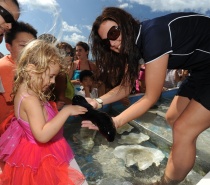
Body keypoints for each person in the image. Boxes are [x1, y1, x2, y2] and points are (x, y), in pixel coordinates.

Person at [81, 7, 210, 184]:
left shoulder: (153, 35)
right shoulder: (135, 48)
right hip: (201, 70)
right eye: (105, 43)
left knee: (183, 129)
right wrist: (97, 102)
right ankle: (182, 153)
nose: (111, 43)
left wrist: (114, 122)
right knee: (172, 117)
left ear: (126, 24)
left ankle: (166, 182)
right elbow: (126, 86)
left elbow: (151, 97)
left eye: (113, 33)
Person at [0, 39, 87, 184]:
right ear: (31, 69)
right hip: (40, 158)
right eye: (51, 76)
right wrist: (66, 111)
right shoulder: (30, 99)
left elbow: (34, 118)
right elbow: (42, 135)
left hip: (28, 148)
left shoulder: (26, 90)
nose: (52, 82)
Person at [0, 21, 37, 127]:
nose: (29, 50)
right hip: (7, 131)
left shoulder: (24, 66)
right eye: (23, 45)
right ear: (8, 47)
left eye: (33, 46)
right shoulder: (7, 67)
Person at [54, 41, 75, 110]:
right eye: (66, 54)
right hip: (63, 110)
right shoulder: (61, 74)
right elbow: (61, 97)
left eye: (71, 53)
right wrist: (77, 105)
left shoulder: (62, 72)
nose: (70, 56)